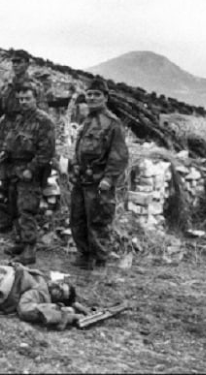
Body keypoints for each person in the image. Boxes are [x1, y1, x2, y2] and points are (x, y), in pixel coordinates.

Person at [69, 78, 129, 270]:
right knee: (78, 218)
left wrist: (109, 178)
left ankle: (100, 260)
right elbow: (79, 148)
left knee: (98, 221)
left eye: (97, 94)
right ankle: (84, 255)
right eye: (89, 94)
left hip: (99, 182)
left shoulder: (112, 123)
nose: (92, 98)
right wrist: (75, 166)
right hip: (82, 180)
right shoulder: (87, 120)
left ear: (105, 98)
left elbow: (119, 154)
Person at [0, 85, 56, 265]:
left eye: (27, 98)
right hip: (13, 170)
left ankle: (29, 249)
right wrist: (5, 154)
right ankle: (20, 242)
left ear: (35, 99)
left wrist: (31, 169)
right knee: (15, 208)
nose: (23, 102)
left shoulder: (44, 121)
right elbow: (11, 141)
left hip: (29, 172)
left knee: (27, 210)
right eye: (21, 99)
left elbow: (46, 152)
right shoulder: (19, 119)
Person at [0, 49, 49, 149]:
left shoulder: (35, 87)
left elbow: (43, 115)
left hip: (27, 134)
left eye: (19, 62)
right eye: (13, 62)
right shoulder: (7, 86)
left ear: (27, 64)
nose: (15, 65)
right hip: (7, 134)